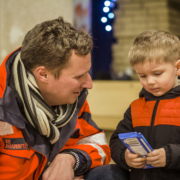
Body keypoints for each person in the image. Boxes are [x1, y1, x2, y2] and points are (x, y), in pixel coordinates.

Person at [0, 17, 127, 180]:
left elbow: (99, 145)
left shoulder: (74, 99)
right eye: (79, 76)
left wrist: (71, 159)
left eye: (88, 72)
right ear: (43, 74)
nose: (89, 84)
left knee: (110, 174)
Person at [110, 30, 180, 180]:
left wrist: (170, 155)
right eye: (142, 76)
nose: (150, 81)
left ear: (178, 68)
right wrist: (126, 156)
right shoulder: (136, 107)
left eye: (157, 73)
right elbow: (116, 141)